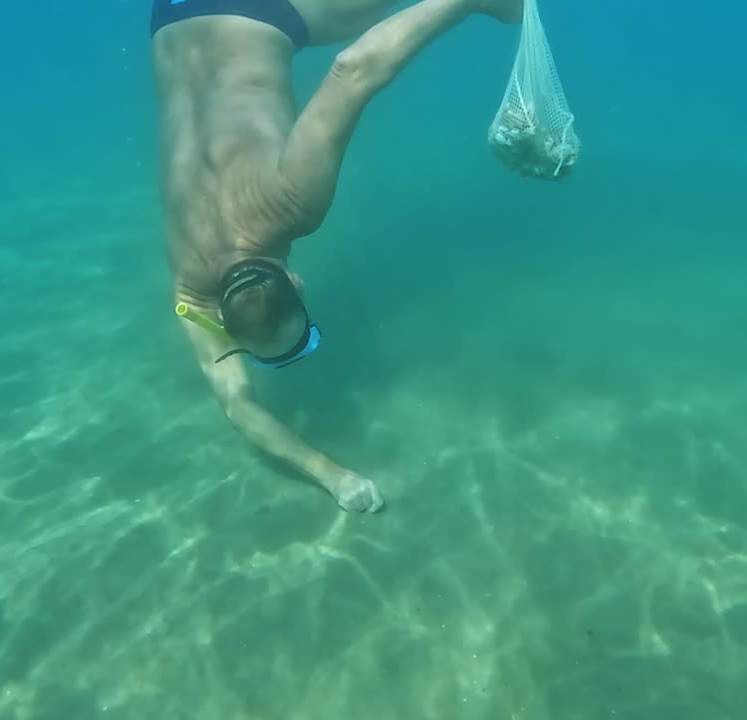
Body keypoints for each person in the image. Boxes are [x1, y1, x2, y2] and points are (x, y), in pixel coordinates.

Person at [151, 0, 521, 513]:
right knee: (348, 17)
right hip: (173, 17)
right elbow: (236, 405)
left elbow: (354, 71)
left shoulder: (290, 204)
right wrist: (333, 476)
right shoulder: (190, 284)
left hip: (250, 10)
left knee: (365, 26)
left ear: (298, 284)